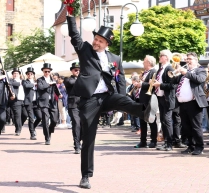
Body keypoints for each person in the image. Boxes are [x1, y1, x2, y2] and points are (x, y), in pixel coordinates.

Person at [66, 15, 156, 189]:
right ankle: (85, 176)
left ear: (107, 44)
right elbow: (74, 35)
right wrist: (70, 15)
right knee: (89, 138)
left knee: (124, 99)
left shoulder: (115, 58)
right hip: (89, 100)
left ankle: (144, 112)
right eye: (96, 39)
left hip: (107, 96)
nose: (96, 42)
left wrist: (121, 100)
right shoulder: (85, 50)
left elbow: (120, 78)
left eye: (100, 41)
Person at [171, 52, 208, 155]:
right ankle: (191, 146)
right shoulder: (184, 73)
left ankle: (199, 147)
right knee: (186, 127)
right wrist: (176, 72)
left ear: (196, 60)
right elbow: (174, 82)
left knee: (196, 127)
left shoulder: (200, 70)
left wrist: (186, 73)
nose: (188, 61)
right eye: (187, 59)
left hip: (194, 103)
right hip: (183, 104)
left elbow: (200, 79)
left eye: (190, 59)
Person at [152, 50, 180, 151]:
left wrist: (160, 85)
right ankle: (165, 142)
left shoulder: (169, 68)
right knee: (163, 120)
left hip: (167, 98)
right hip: (161, 97)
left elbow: (172, 85)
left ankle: (170, 143)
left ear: (167, 57)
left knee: (167, 120)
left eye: (161, 55)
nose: (159, 57)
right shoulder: (161, 68)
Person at [133, 55, 158, 149]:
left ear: (148, 62)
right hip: (142, 99)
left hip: (149, 98)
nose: (143, 63)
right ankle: (143, 141)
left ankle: (153, 141)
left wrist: (141, 84)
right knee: (142, 120)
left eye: (144, 61)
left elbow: (152, 84)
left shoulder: (153, 71)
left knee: (151, 120)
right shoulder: (145, 72)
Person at [37, 63, 59, 145]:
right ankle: (47, 138)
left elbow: (55, 88)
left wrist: (59, 94)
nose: (47, 73)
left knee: (54, 120)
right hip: (43, 102)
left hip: (52, 102)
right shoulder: (40, 80)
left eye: (48, 71)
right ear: (43, 71)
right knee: (45, 120)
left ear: (50, 72)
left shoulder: (53, 79)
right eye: (45, 71)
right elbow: (41, 87)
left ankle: (50, 130)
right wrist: (49, 84)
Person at [64, 62, 82, 154]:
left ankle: (80, 140)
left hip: (83, 105)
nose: (78, 71)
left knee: (84, 124)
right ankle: (77, 145)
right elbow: (71, 82)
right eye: (76, 70)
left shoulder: (83, 79)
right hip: (73, 105)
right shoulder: (68, 79)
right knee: (76, 124)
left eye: (79, 70)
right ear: (72, 71)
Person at [23, 67, 42, 140]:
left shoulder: (37, 82)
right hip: (29, 102)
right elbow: (26, 86)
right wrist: (34, 84)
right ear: (27, 75)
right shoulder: (25, 81)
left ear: (33, 75)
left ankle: (33, 127)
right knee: (31, 118)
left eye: (31, 74)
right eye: (28, 74)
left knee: (39, 117)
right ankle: (32, 134)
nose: (30, 75)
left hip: (36, 102)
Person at [9, 68, 29, 135]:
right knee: (17, 115)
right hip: (16, 100)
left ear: (19, 74)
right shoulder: (11, 81)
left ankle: (19, 125)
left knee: (25, 115)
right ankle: (18, 130)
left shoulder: (23, 81)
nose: (15, 74)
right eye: (14, 73)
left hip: (23, 100)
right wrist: (20, 82)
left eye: (17, 73)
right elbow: (14, 84)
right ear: (12, 75)